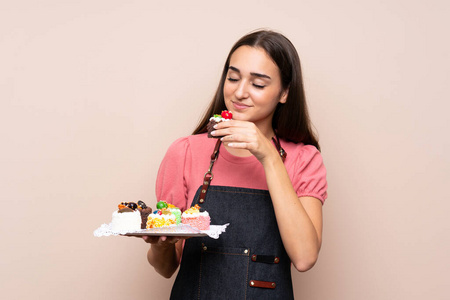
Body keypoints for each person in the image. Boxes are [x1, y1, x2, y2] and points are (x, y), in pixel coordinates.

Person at [143, 29, 327, 299]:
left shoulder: (304, 159)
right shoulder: (184, 152)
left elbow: (305, 258)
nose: (240, 92)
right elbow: (166, 267)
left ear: (285, 92)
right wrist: (159, 245)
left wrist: (269, 157)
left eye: (258, 84)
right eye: (233, 78)